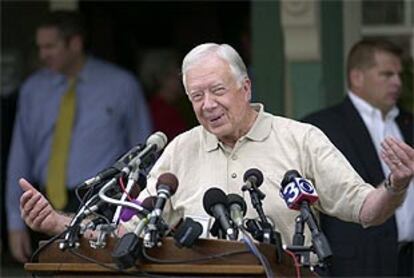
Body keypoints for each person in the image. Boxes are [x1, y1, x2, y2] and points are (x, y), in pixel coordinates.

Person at [19, 43, 414, 270]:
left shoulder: (301, 139)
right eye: (196, 96)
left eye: (217, 90)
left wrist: (395, 185)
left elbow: (366, 209)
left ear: (245, 87)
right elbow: (128, 231)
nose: (207, 105)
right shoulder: (179, 150)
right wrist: (58, 222)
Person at [6, 11, 153, 263]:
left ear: (75, 43)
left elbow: (146, 154)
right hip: (44, 204)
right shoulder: (32, 90)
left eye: (50, 46)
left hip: (102, 204)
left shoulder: (121, 85)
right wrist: (14, 221)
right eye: (39, 47)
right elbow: (20, 156)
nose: (43, 55)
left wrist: (137, 216)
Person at [302, 39, 413, 276]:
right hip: (356, 265)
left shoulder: (408, 123)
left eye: (398, 75)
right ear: (357, 77)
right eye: (387, 74)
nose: (397, 82)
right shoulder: (320, 128)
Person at [138, 49, 196, 140]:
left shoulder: (176, 106)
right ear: (161, 78)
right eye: (175, 74)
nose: (181, 79)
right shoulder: (161, 112)